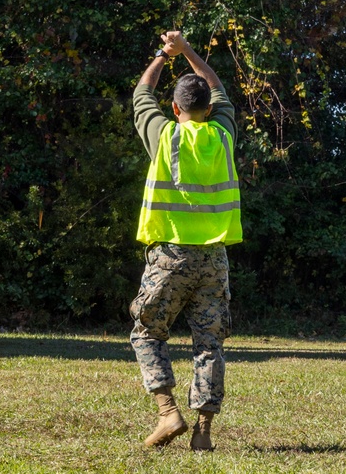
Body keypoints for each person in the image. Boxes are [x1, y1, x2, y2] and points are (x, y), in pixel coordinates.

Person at [129, 30, 242, 451]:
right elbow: (218, 87)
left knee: (146, 333)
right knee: (209, 345)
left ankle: (167, 413)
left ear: (174, 108)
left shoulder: (164, 135)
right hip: (214, 259)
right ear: (211, 110)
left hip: (169, 258)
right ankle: (204, 433)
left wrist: (163, 52)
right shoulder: (223, 135)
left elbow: (143, 93)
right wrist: (188, 50)